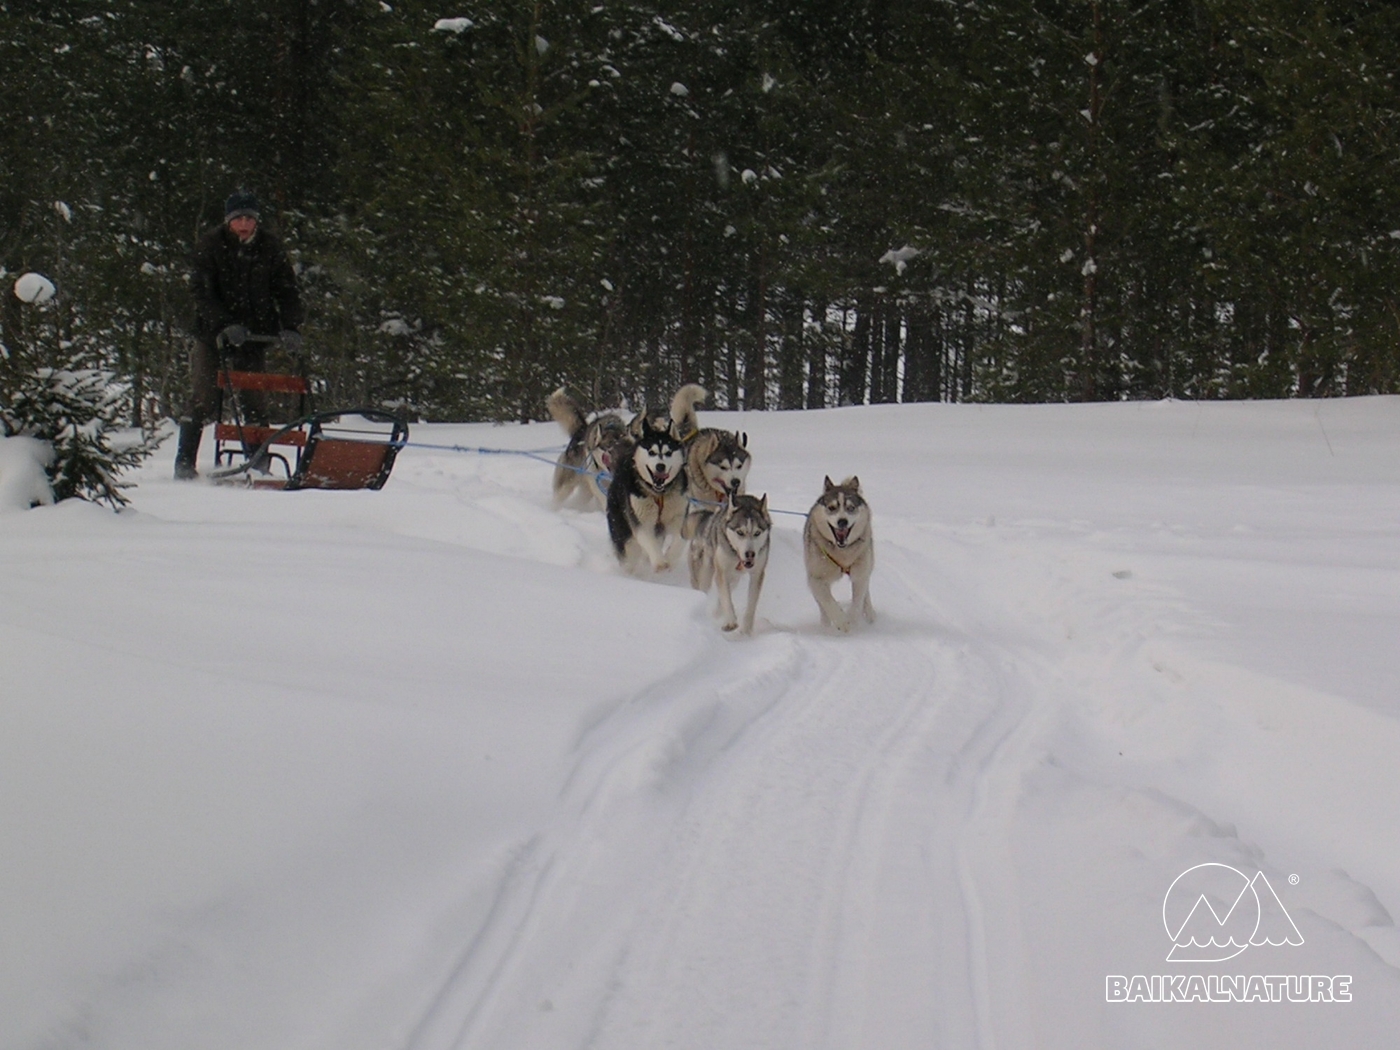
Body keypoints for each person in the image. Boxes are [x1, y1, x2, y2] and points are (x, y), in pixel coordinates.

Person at [173, 190, 305, 479]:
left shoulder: (270, 247)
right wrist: (224, 323)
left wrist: (291, 326)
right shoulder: (210, 245)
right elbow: (201, 291)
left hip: (254, 335)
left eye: (249, 218)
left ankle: (259, 464)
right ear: (228, 221)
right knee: (203, 397)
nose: (244, 224)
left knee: (253, 399)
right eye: (238, 219)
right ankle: (184, 464)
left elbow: (286, 290)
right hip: (213, 335)